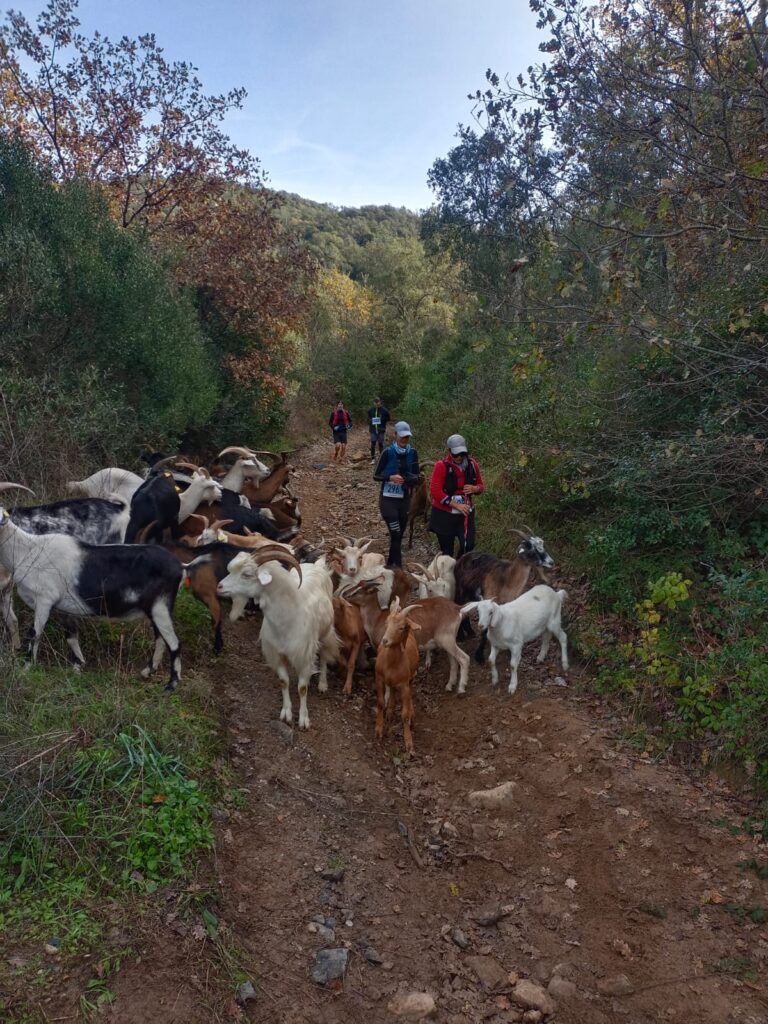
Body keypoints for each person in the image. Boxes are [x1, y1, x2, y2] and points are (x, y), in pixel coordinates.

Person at [428, 433, 484, 557]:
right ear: (449, 451)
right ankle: (448, 567)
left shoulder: (472, 464)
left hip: (465, 513)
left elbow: (481, 486)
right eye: (455, 454)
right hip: (444, 513)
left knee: (468, 546)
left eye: (462, 454)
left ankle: (459, 565)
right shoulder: (441, 466)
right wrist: (456, 505)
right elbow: (435, 491)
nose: (459, 457)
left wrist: (475, 488)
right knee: (447, 551)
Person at [373, 421, 420, 568]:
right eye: (402, 436)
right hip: (388, 500)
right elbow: (376, 475)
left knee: (398, 536)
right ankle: (399, 568)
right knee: (396, 532)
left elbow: (417, 476)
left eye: (407, 437)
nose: (404, 439)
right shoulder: (387, 452)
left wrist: (410, 479)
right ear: (395, 435)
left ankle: (389, 564)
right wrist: (390, 477)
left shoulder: (413, 453)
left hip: (404, 500)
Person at [367, 397, 391, 462]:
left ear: (380, 402)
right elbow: (368, 419)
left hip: (381, 429)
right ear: (373, 403)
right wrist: (371, 420)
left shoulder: (384, 410)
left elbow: (388, 418)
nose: (376, 403)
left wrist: (382, 419)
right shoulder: (370, 410)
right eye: (375, 402)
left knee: (380, 444)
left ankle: (381, 458)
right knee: (373, 443)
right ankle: (373, 459)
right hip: (373, 430)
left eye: (378, 402)